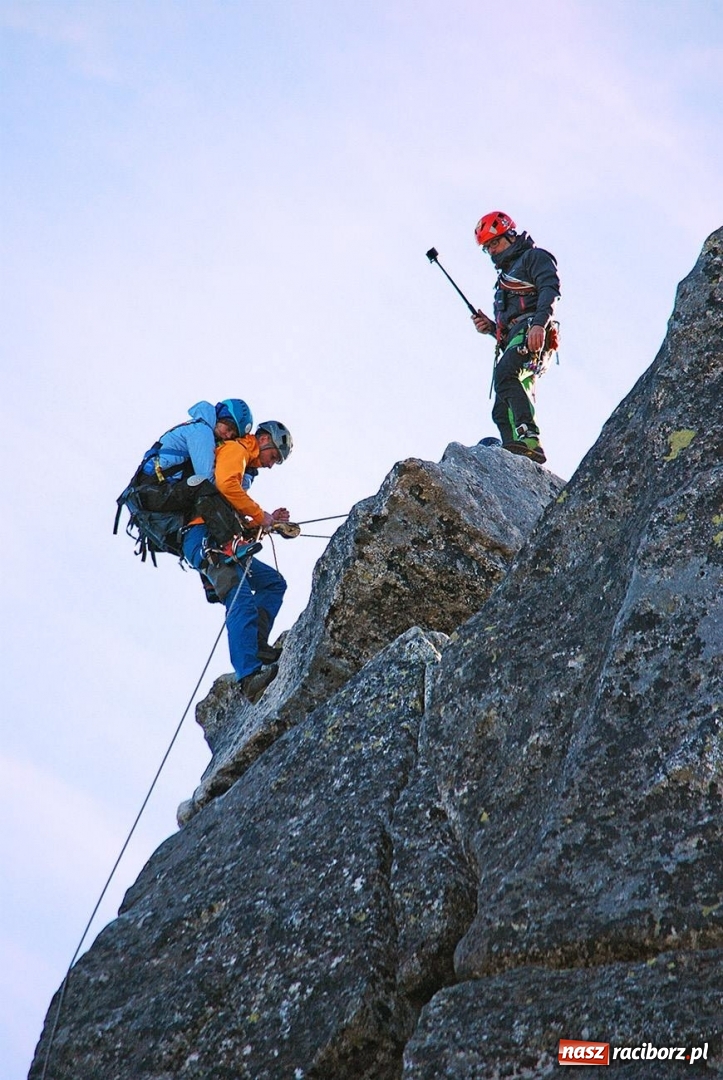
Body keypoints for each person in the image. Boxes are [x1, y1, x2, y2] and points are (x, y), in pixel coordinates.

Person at [182, 420, 294, 703]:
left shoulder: (245, 466)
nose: (271, 465)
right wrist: (261, 516)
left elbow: (229, 508)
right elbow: (226, 484)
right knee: (240, 597)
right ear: (264, 439)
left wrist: (268, 522)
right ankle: (249, 676)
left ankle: (255, 643)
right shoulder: (236, 449)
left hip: (218, 537)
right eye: (274, 457)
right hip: (204, 536)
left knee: (273, 583)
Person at [472, 211, 560, 464]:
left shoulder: (535, 258)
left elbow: (549, 289)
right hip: (518, 336)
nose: (492, 251)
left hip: (532, 330)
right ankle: (517, 454)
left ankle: (529, 439)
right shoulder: (504, 280)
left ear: (511, 236)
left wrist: (539, 326)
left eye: (495, 243)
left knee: (505, 375)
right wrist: (490, 327)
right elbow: (509, 329)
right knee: (501, 410)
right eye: (487, 248)